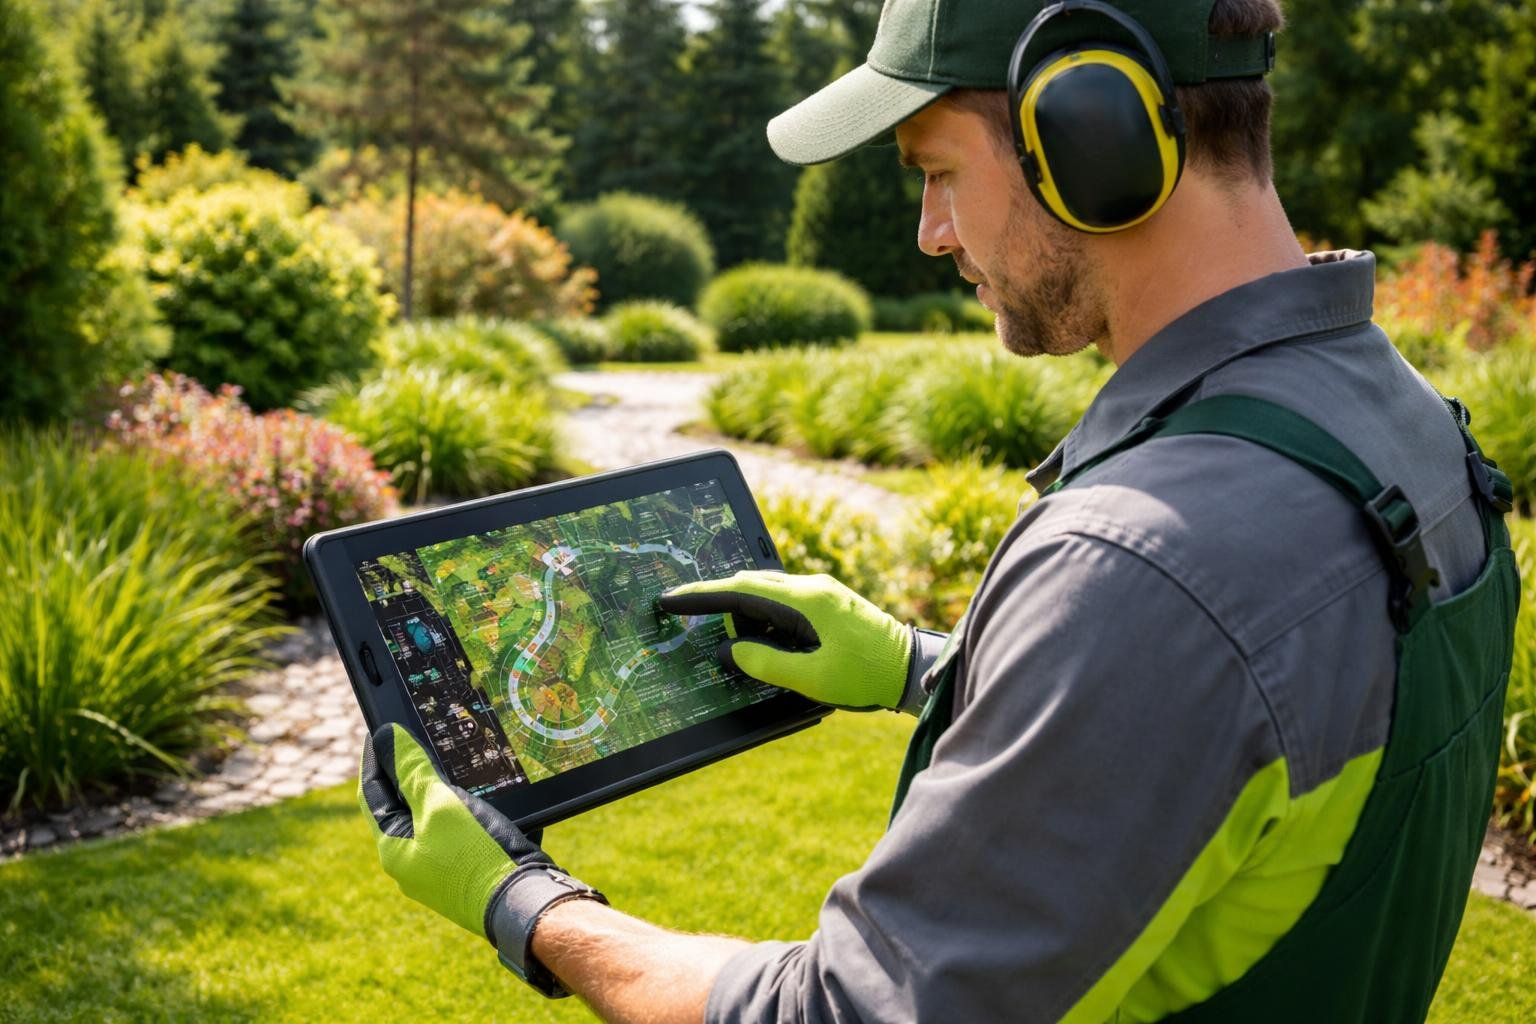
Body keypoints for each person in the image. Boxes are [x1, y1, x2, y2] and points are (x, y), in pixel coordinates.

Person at [355, 0, 1521, 1020]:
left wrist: (526, 903)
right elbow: (1251, 729)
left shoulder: (1143, 570)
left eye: (936, 168)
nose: (931, 232)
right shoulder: (1405, 431)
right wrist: (927, 666)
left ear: (1090, 129)